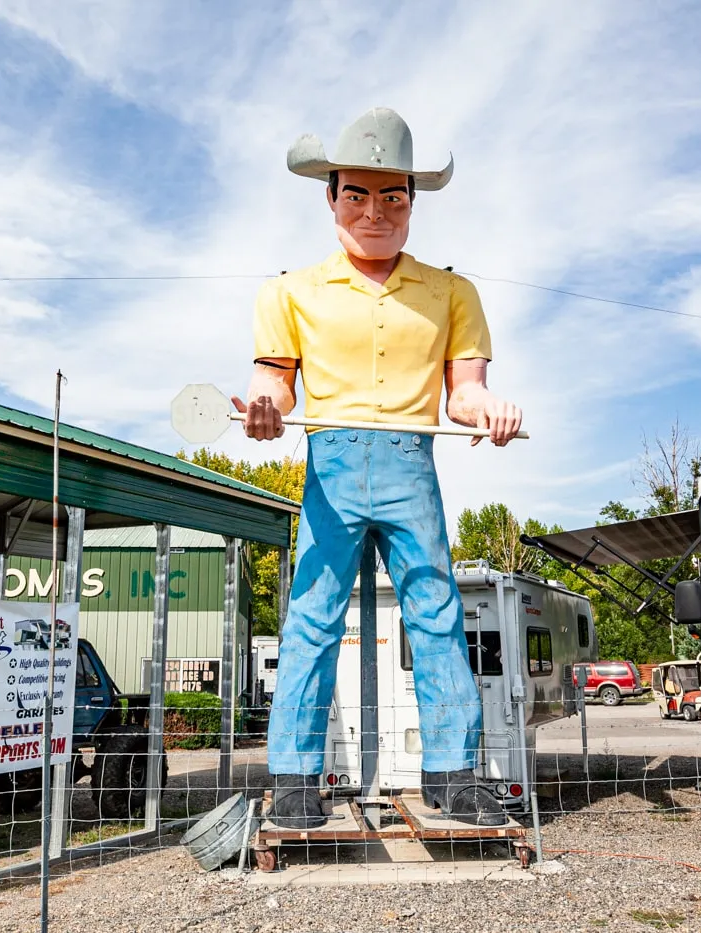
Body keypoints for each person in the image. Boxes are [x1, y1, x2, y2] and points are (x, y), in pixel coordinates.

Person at [237, 107, 524, 829]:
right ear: (330, 197)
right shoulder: (288, 291)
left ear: (413, 202)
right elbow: (276, 385)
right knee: (310, 616)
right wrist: (266, 408)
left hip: (410, 464)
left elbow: (464, 391)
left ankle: (454, 775)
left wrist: (485, 404)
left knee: (436, 611)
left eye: (393, 196)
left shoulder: (453, 292)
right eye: (358, 195)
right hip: (329, 466)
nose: (375, 212)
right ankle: (296, 779)